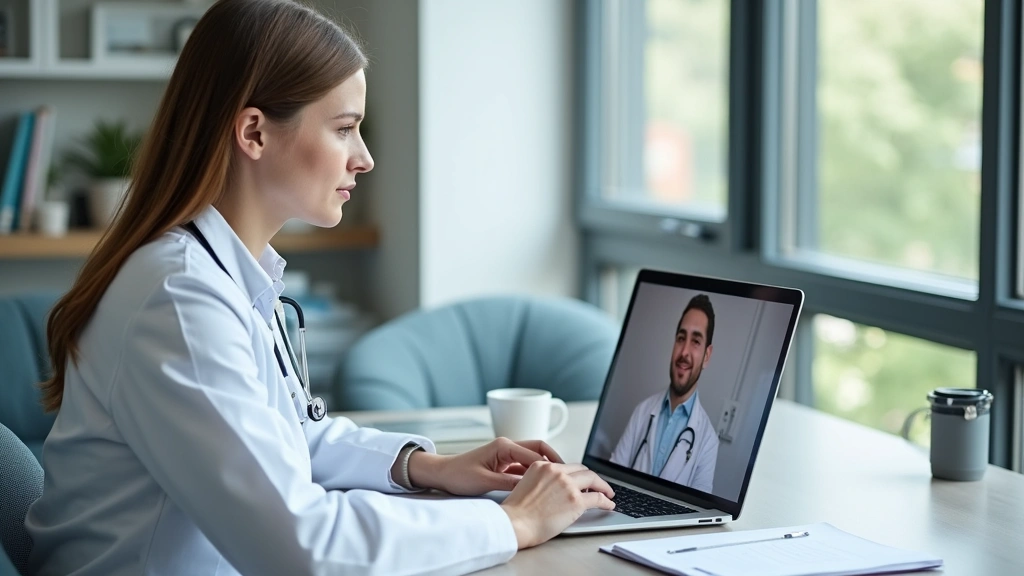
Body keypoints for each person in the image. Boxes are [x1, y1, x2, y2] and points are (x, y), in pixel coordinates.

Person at [25, 1, 615, 574]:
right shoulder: (178, 299)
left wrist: (427, 466)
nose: (365, 159)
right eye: (345, 129)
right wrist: (513, 524)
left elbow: (285, 437)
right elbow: (303, 547)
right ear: (254, 132)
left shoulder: (220, 272)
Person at [609, 294, 720, 493]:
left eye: (695, 341)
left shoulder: (708, 441)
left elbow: (698, 512)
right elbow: (610, 475)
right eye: (680, 338)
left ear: (707, 356)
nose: (684, 352)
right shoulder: (643, 411)